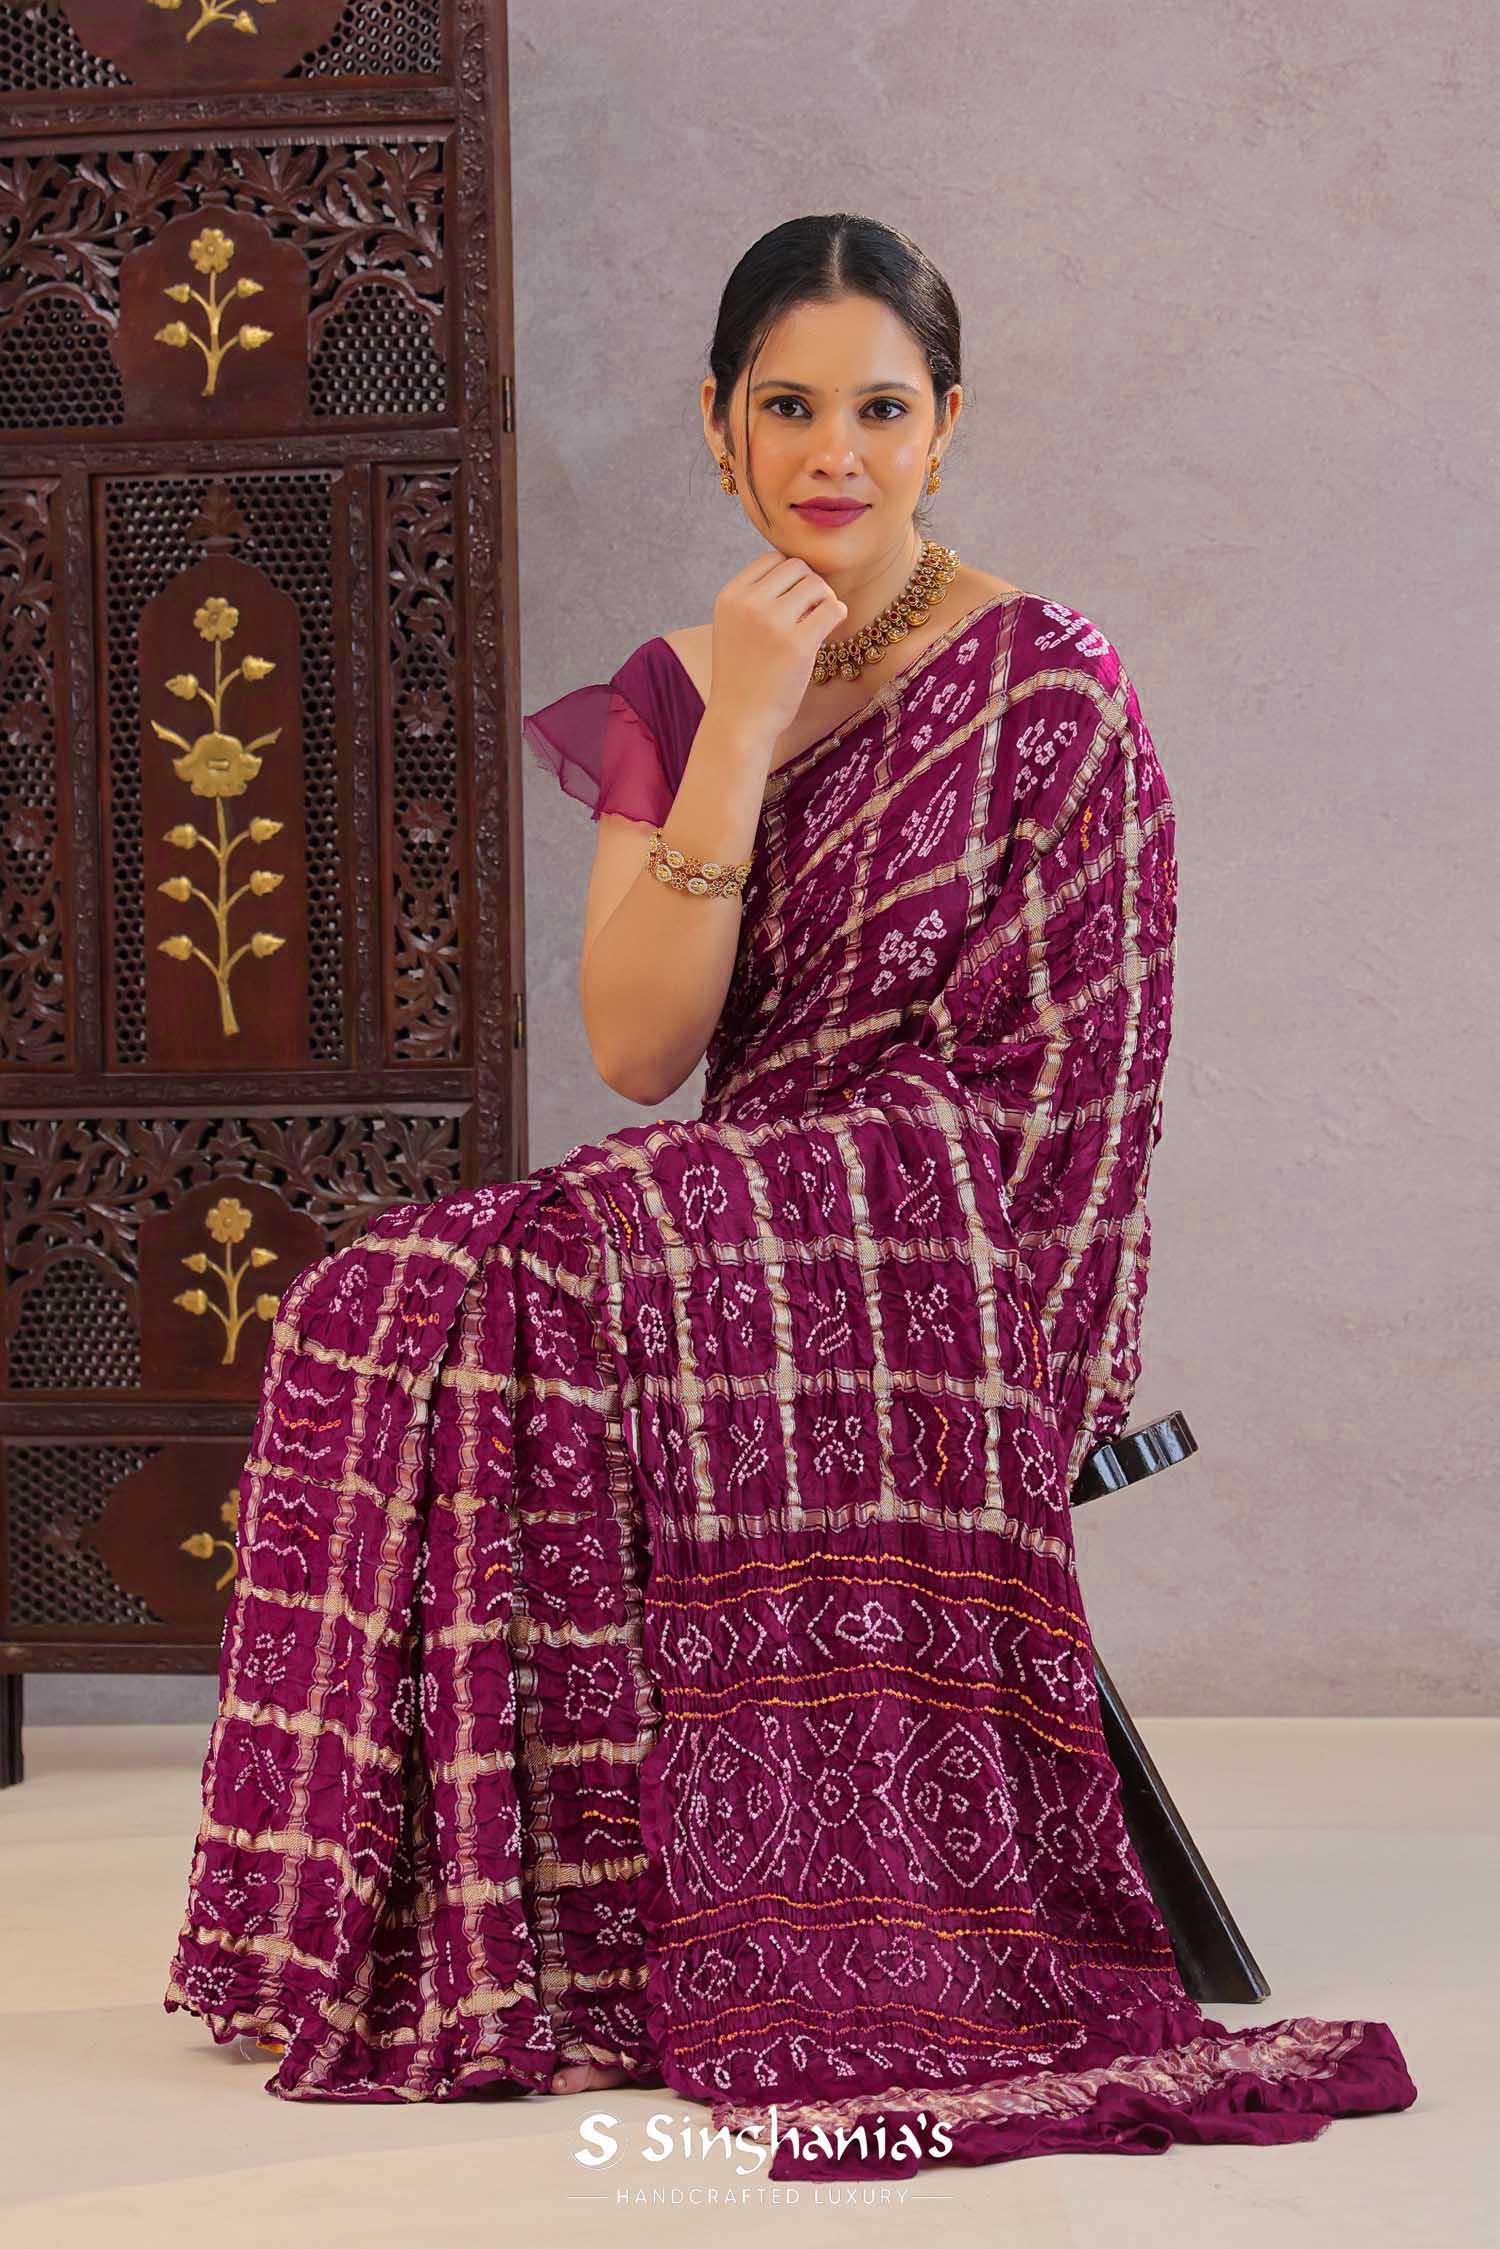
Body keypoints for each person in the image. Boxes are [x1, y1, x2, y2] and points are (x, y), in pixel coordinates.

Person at [165, 214, 1417, 2177]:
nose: (836, 452)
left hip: (957, 1233)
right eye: (790, 406)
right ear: (718, 425)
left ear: (947, 427)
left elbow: (1075, 1087)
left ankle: (578, 1922)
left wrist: (869, 1197)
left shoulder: (1049, 686)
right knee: (380, 1296)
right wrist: (742, 717)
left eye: (882, 409)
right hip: (742, 1205)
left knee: (524, 1285)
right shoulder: (675, 688)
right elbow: (641, 1046)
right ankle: (528, 1933)